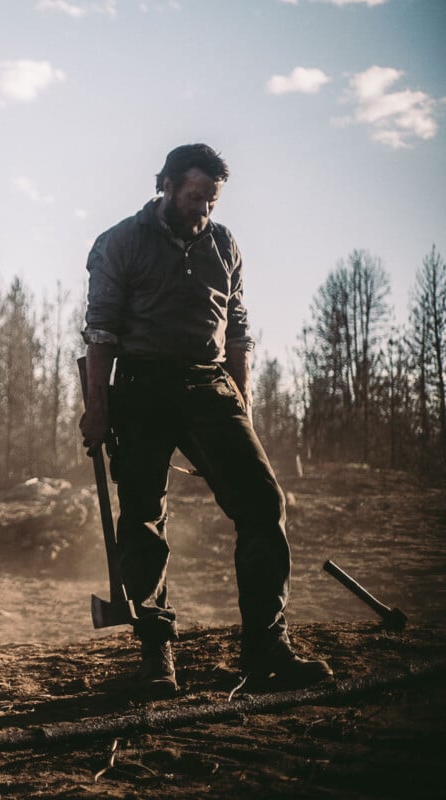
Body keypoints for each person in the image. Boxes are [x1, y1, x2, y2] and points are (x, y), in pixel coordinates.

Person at [80, 143, 332, 694]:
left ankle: (266, 651)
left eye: (211, 202)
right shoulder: (120, 242)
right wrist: (97, 410)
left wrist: (240, 397)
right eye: (195, 198)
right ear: (166, 185)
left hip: (209, 385)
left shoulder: (223, 243)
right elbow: (101, 331)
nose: (203, 211)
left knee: (264, 504)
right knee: (144, 517)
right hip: (143, 386)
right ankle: (156, 659)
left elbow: (238, 326)